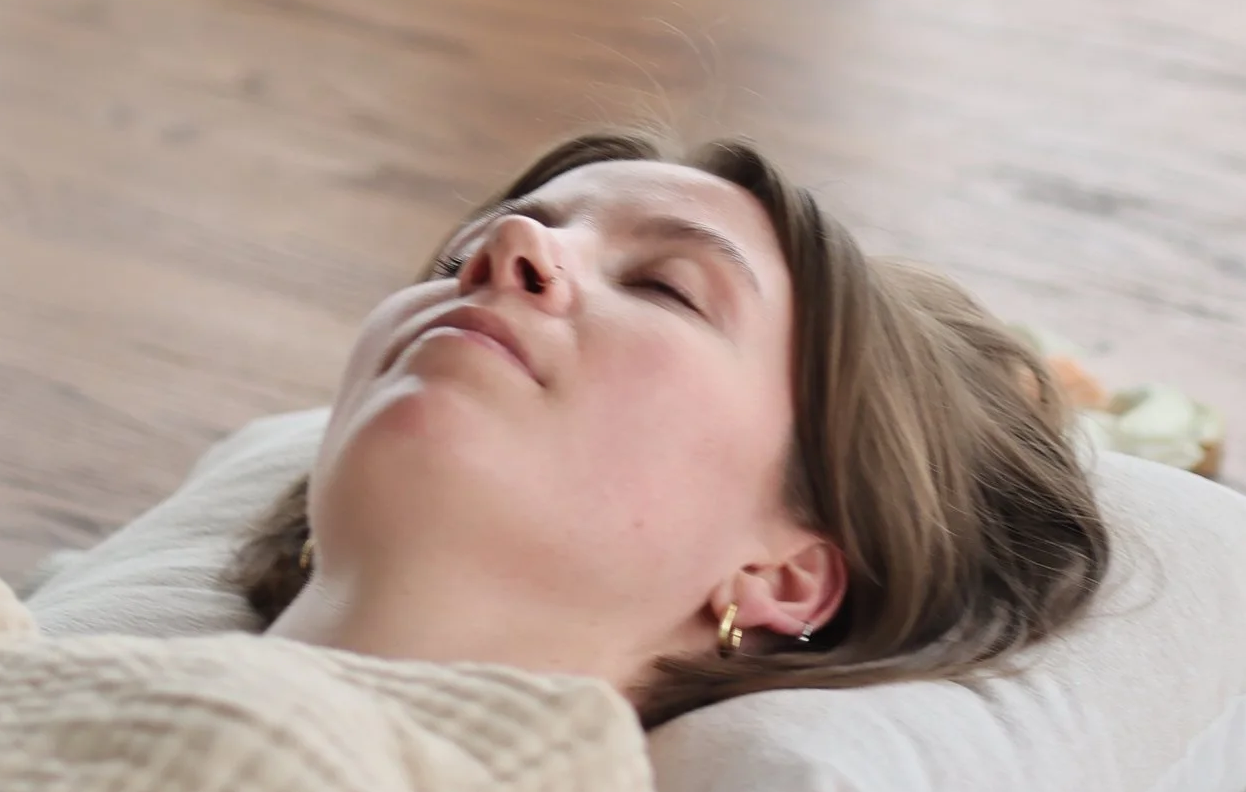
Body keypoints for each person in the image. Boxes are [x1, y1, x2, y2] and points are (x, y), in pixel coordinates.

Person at [240, 125, 1112, 729]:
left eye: (666, 286)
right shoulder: (105, 692)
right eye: (452, 258)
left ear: (785, 576)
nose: (502, 245)